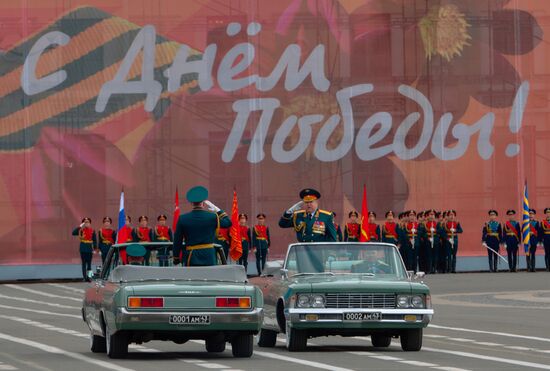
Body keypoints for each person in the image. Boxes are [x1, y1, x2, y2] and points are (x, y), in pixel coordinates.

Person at [172, 186, 232, 266]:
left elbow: (177, 240)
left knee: (193, 278)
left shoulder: (183, 218)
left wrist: (176, 258)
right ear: (203, 203)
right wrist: (218, 210)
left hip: (191, 256)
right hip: (209, 255)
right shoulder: (212, 217)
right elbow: (228, 223)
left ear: (191, 203)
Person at [72, 217, 97, 282]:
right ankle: (84, 277)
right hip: (83, 248)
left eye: (88, 222)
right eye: (85, 222)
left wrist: (94, 248)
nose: (86, 223)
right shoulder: (81, 230)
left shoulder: (92, 231)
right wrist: (80, 226)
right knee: (83, 263)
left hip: (89, 248)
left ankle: (89, 277)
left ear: (90, 223)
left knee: (89, 264)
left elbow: (94, 240)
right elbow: (73, 233)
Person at [419, 209, 439, 274]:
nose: (432, 216)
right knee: (429, 256)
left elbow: (440, 232)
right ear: (428, 216)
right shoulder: (425, 224)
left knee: (435, 255)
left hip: (435, 241)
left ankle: (434, 269)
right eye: (430, 215)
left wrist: (436, 238)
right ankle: (429, 269)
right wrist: (428, 238)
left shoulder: (437, 224)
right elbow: (422, 233)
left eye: (433, 215)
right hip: (428, 241)